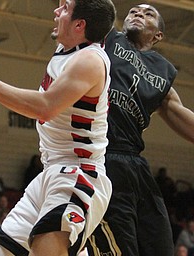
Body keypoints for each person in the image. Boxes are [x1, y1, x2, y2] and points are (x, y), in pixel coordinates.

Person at [0, 0, 115, 255]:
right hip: (50, 172)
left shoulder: (89, 60)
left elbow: (45, 106)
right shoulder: (67, 48)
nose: (56, 12)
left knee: (44, 250)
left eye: (64, 8)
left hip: (78, 172)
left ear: (80, 25)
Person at [83, 3, 194, 256]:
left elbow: (179, 113)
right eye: (133, 11)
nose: (138, 13)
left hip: (136, 163)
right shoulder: (108, 39)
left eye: (148, 13)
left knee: (161, 247)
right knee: (122, 249)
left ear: (158, 36)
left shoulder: (161, 70)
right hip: (103, 156)